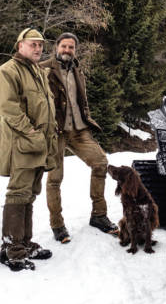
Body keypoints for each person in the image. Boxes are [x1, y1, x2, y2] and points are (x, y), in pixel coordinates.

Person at [0, 28, 58, 271]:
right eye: (33, 45)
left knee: (29, 194)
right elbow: (7, 107)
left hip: (38, 145)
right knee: (18, 194)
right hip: (22, 145)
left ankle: (25, 243)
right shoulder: (8, 71)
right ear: (20, 46)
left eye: (40, 45)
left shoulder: (37, 72)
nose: (38, 48)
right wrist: (30, 131)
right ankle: (12, 250)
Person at [40, 32, 118, 243]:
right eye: (64, 46)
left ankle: (99, 215)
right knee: (55, 179)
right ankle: (57, 225)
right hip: (55, 131)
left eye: (71, 47)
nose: (67, 50)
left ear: (75, 50)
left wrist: (87, 117)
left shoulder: (77, 70)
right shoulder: (43, 69)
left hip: (79, 130)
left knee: (101, 162)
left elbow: (79, 100)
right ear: (56, 47)